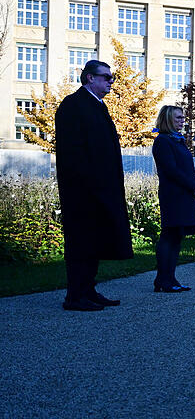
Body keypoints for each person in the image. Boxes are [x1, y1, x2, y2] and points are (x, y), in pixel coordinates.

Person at [54, 60, 132, 311]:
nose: (111, 81)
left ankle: (88, 289)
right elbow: (72, 152)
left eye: (112, 77)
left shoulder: (98, 106)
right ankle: (75, 295)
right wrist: (87, 184)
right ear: (89, 78)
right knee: (81, 241)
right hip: (83, 191)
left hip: (101, 189)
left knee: (95, 240)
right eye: (106, 77)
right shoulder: (73, 105)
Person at [151, 105, 195, 292]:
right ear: (168, 119)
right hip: (173, 194)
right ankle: (163, 280)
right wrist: (192, 186)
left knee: (176, 237)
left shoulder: (177, 140)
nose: (182, 120)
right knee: (169, 235)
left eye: (182, 118)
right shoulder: (163, 141)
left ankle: (170, 278)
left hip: (183, 194)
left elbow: (187, 167)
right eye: (178, 118)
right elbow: (171, 170)